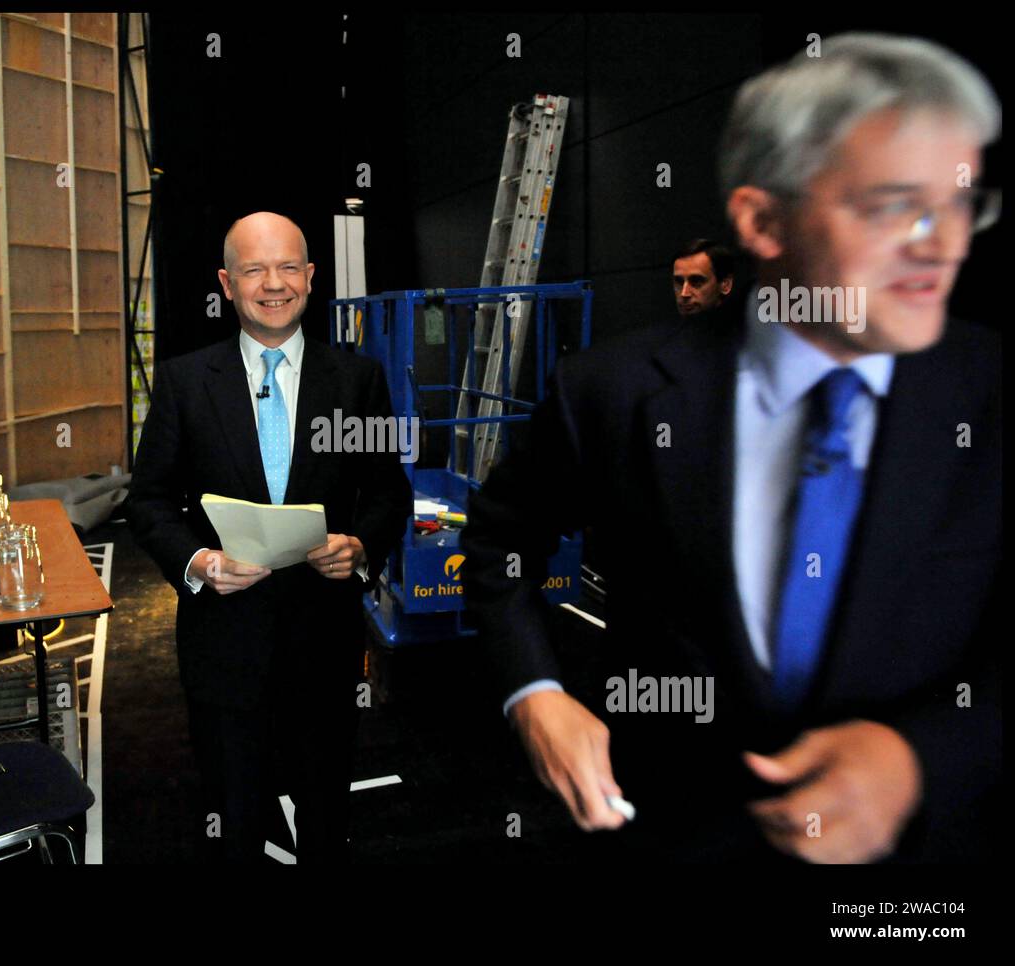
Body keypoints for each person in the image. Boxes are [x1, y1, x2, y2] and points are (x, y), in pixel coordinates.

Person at [463, 34, 1001, 863]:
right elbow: (499, 543)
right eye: (893, 204)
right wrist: (536, 694)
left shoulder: (988, 393)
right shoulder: (610, 392)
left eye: (961, 200)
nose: (941, 243)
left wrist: (919, 756)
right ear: (762, 219)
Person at [127, 212, 412, 863]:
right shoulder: (183, 383)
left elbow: (389, 493)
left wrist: (362, 547)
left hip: (325, 643)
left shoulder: (358, 380)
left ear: (311, 278)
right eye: (254, 269)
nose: (273, 283)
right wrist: (197, 560)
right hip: (224, 643)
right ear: (227, 283)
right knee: (234, 816)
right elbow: (147, 502)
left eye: (288, 267)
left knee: (325, 813)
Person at [671, 238, 735, 317]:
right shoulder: (662, 328)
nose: (684, 294)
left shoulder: (750, 327)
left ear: (725, 285)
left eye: (697, 282)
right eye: (679, 282)